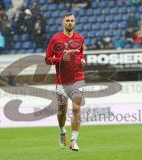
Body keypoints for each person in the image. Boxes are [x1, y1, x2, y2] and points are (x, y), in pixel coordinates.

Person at [45, 13, 86, 151]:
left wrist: (82, 59)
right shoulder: (55, 39)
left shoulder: (80, 38)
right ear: (63, 22)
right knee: (62, 112)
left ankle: (73, 140)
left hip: (77, 78)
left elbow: (81, 53)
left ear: (75, 23)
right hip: (61, 81)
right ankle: (62, 130)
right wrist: (59, 59)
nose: (70, 22)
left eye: (72, 20)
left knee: (76, 109)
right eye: (67, 20)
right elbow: (47, 59)